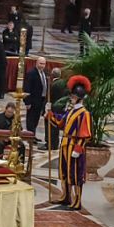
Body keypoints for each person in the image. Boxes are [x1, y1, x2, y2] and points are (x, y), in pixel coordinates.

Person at [47, 75, 92, 210]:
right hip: (65, 143)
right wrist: (50, 113)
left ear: (79, 97)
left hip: (74, 146)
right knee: (65, 171)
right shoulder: (71, 110)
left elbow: (85, 135)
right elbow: (61, 123)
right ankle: (66, 196)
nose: (71, 98)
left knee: (76, 174)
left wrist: (78, 149)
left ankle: (77, 200)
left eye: (73, 96)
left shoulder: (85, 114)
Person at [24, 57, 48, 143]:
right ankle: (29, 137)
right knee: (31, 119)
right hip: (32, 101)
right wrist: (27, 102)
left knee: (36, 119)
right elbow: (27, 88)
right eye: (40, 63)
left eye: (43, 64)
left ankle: (33, 135)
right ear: (36, 63)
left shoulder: (43, 73)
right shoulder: (31, 73)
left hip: (40, 100)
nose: (42, 66)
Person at [46, 68, 66, 151]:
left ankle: (49, 144)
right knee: (56, 127)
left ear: (52, 74)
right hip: (61, 109)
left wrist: (46, 109)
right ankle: (55, 144)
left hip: (52, 109)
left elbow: (49, 97)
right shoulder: (63, 84)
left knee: (50, 127)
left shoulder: (53, 84)